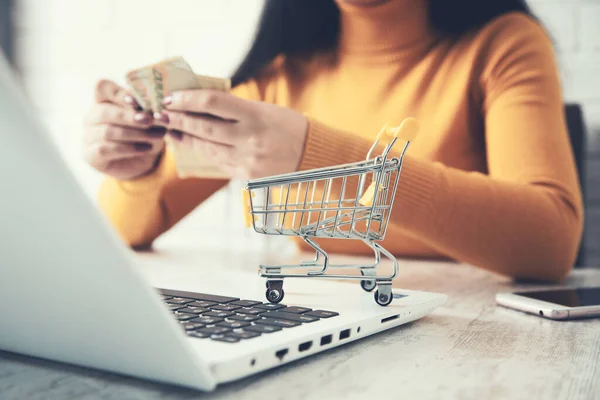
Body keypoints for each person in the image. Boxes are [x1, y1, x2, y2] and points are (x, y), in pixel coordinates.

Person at [83, 0, 583, 282]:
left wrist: (310, 151)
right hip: (322, 323)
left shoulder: (503, 44)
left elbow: (550, 240)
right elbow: (125, 231)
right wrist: (135, 168)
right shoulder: (276, 78)